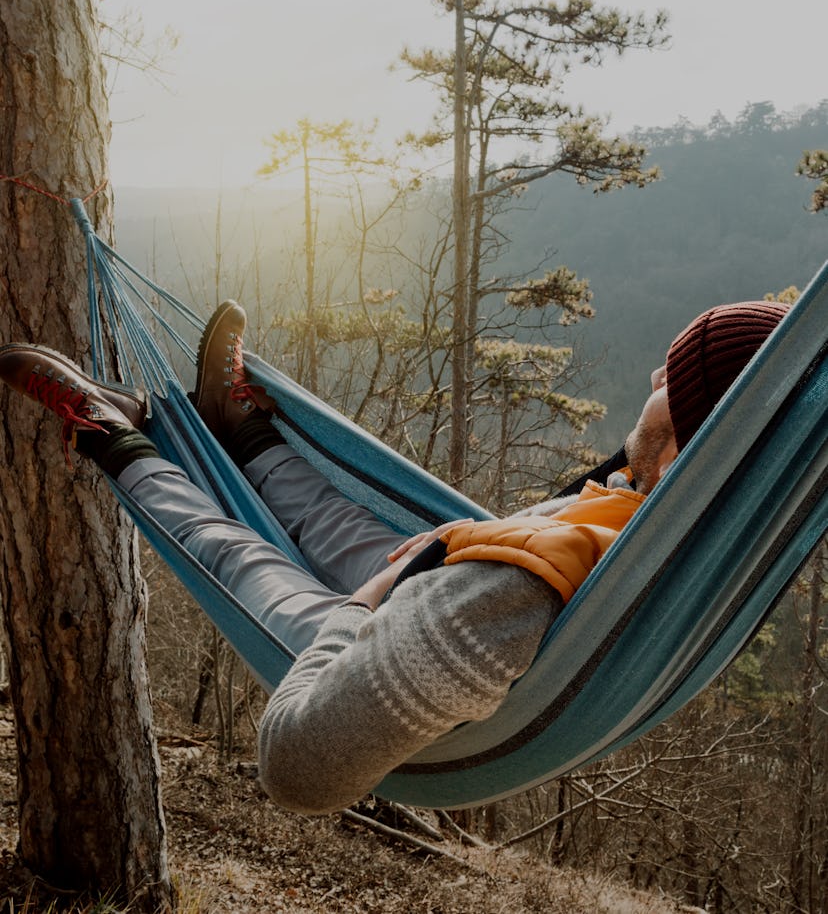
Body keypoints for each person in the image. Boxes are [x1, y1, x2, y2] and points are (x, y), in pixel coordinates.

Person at [0, 298, 789, 814]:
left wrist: (369, 598)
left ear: (692, 437)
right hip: (451, 582)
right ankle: (238, 430)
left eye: (672, 379)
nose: (654, 375)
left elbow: (299, 770)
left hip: (395, 640)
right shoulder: (660, 508)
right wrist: (433, 553)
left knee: (237, 553)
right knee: (330, 518)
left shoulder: (498, 609)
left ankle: (111, 431)